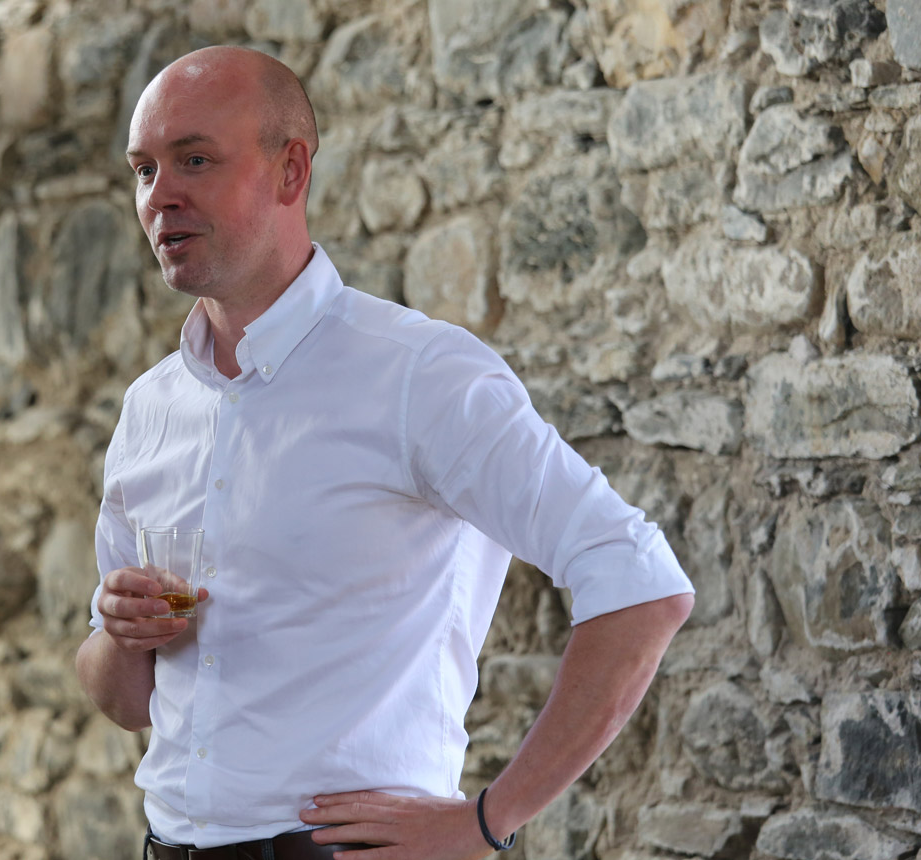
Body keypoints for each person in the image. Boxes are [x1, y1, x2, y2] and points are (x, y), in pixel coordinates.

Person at [76, 45, 695, 860]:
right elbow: (127, 703)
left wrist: (488, 820)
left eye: (195, 159)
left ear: (291, 171)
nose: (161, 195)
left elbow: (641, 581)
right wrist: (121, 634)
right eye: (144, 170)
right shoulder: (150, 408)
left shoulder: (419, 374)